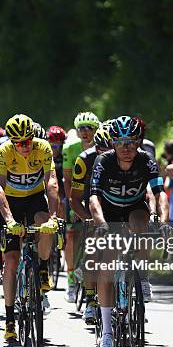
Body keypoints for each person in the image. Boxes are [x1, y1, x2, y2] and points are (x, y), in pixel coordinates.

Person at [89, 116, 169, 347]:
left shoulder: (146, 160)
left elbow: (159, 192)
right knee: (106, 268)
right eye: (121, 142)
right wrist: (101, 223)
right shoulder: (103, 161)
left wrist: (163, 220)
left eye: (131, 142)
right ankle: (107, 333)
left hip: (134, 207)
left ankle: (141, 277)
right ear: (113, 143)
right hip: (110, 212)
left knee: (141, 222)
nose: (126, 147)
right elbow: (94, 198)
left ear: (139, 142)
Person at [0, 114, 60, 341]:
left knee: (45, 222)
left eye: (28, 141)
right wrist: (10, 220)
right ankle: (10, 318)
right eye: (19, 142)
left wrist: (53, 217)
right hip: (11, 202)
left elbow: (51, 181)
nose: (24, 146)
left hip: (34, 198)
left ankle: (42, 268)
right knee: (11, 262)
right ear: (12, 142)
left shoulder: (43, 148)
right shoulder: (4, 151)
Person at [69, 126, 112, 324]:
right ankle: (90, 300)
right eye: (101, 150)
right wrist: (86, 217)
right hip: (90, 199)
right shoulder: (84, 159)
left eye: (109, 149)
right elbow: (75, 198)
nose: (105, 154)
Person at [62, 112, 99, 303]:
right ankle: (70, 278)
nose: (85, 132)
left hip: (97, 191)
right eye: (81, 128)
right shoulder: (70, 147)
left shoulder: (102, 145)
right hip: (76, 192)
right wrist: (72, 206)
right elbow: (67, 180)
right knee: (72, 234)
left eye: (89, 128)